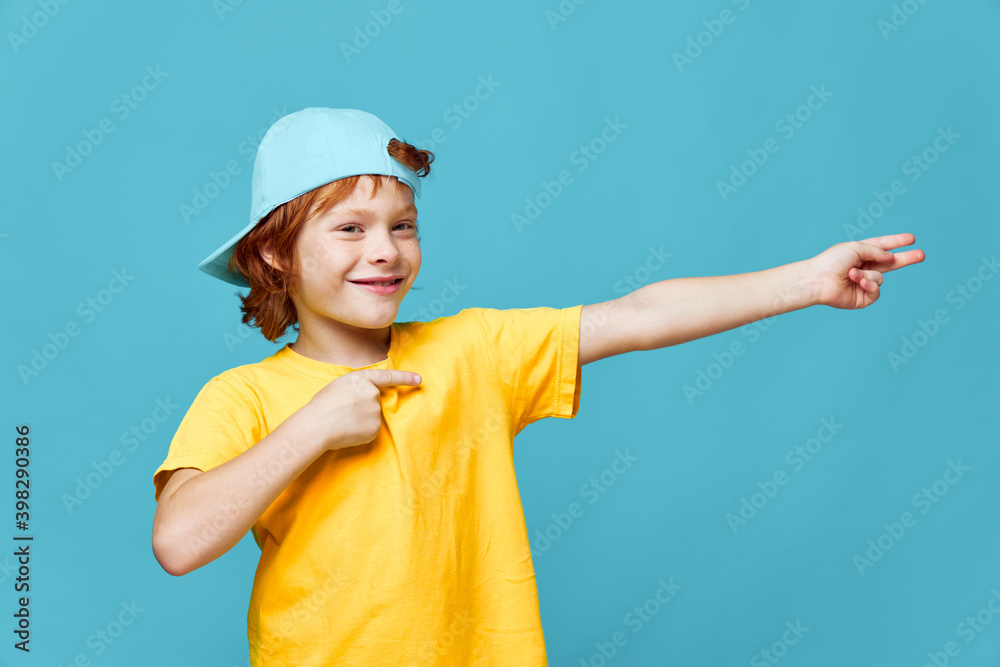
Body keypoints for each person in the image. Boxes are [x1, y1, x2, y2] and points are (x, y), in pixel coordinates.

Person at [150, 107, 925, 666]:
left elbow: (639, 315)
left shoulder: (474, 350)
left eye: (403, 224)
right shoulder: (242, 398)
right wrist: (312, 427)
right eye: (349, 228)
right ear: (275, 254)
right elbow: (179, 541)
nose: (385, 251)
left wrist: (808, 279)